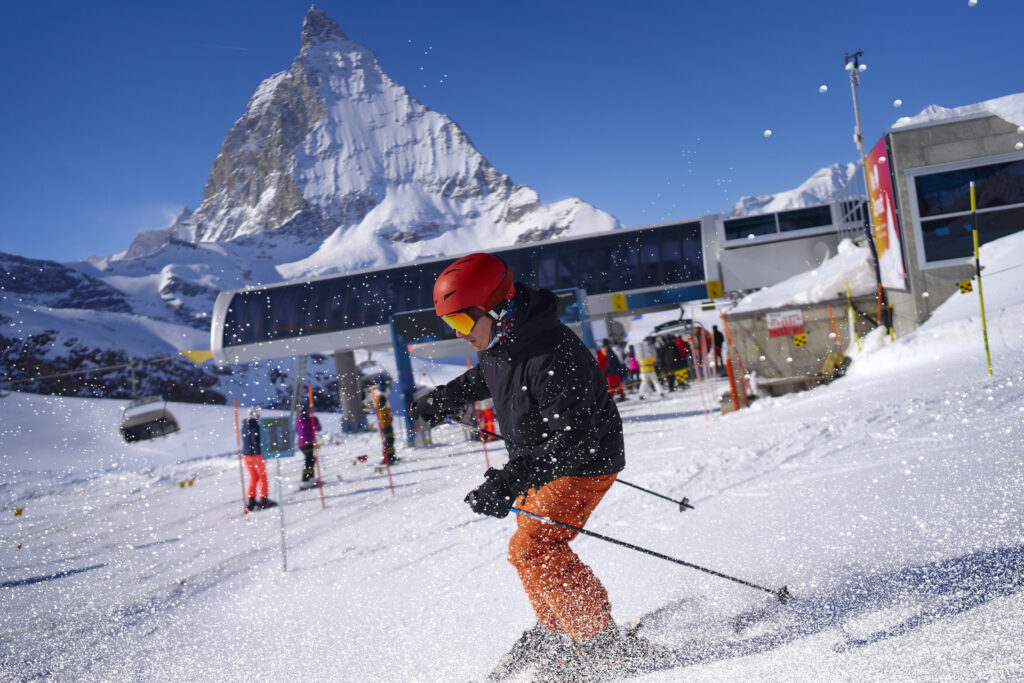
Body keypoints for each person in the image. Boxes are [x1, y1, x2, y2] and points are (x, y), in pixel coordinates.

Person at [409, 253, 635, 677]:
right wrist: (443, 400)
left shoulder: (551, 353)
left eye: (461, 323)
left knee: (536, 547)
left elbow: (576, 440)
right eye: (451, 325)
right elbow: (488, 378)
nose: (461, 336)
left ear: (495, 309)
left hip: (583, 461)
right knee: (526, 548)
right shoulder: (503, 342)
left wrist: (511, 479)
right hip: (540, 461)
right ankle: (556, 628)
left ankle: (600, 645)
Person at [240, 406, 277, 511]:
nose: (259, 416)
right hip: (256, 455)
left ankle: (251, 500)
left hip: (246, 455)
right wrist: (261, 453)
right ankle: (263, 499)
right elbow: (255, 439)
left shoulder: (244, 425)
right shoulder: (255, 425)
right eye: (258, 414)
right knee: (262, 477)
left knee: (253, 477)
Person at [295, 404, 322, 487]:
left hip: (301, 444)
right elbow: (318, 428)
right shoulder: (310, 420)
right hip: (308, 443)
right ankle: (306, 480)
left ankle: (310, 478)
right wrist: (316, 422)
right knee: (309, 461)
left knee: (310, 459)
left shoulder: (298, 421)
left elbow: (297, 430)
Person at [374, 393, 398, 465]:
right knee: (389, 442)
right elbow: (389, 418)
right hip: (386, 427)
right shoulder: (383, 410)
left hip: (386, 426)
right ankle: (387, 457)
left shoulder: (381, 410)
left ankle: (391, 456)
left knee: (390, 441)